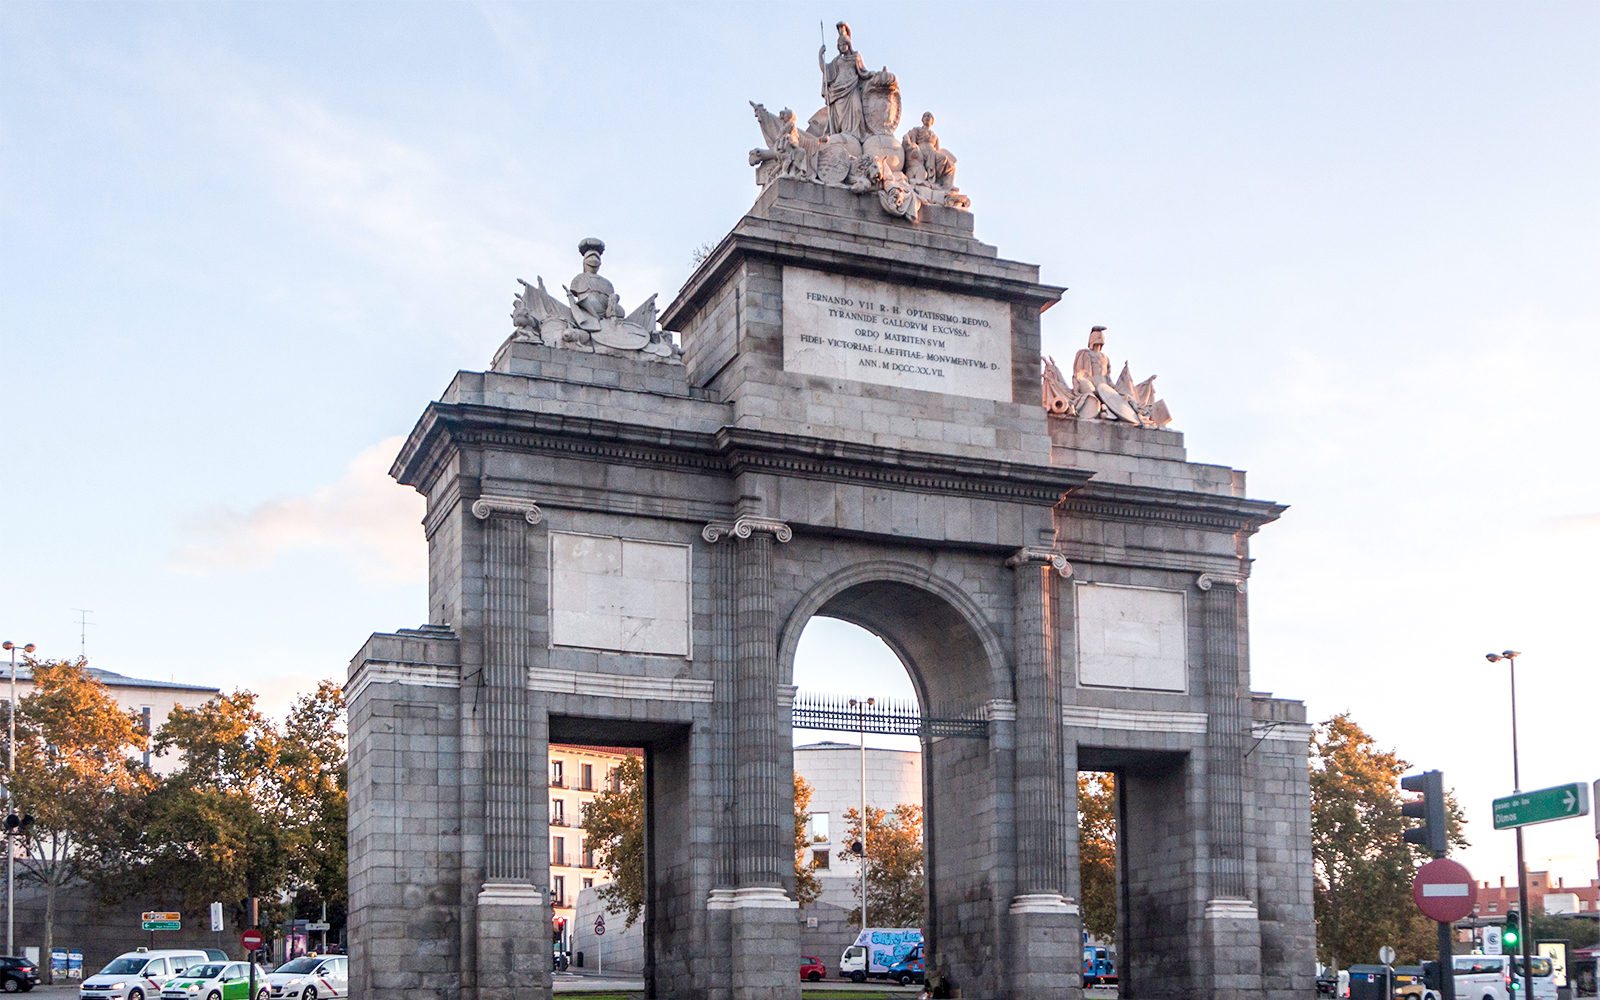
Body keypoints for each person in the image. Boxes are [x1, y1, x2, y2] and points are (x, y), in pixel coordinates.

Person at [819, 21, 867, 137]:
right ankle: (842, 134)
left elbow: (863, 72)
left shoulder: (856, 57)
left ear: (848, 45)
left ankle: (855, 135)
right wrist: (820, 56)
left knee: (856, 109)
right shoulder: (837, 60)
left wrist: (875, 75)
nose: (842, 47)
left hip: (852, 87)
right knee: (840, 115)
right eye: (840, 46)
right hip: (838, 90)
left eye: (844, 44)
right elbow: (826, 70)